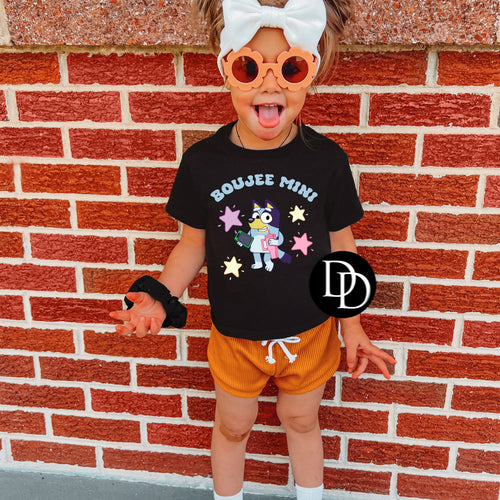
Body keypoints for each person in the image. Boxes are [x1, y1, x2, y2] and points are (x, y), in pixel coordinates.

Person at [110, 0, 397, 498]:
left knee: (302, 421)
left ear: (309, 76)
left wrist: (351, 324)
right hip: (234, 337)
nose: (270, 84)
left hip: (310, 333)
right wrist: (160, 295)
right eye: (249, 67)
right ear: (227, 71)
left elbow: (342, 249)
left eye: (290, 69)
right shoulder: (203, 162)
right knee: (233, 427)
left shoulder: (326, 161)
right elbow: (192, 245)